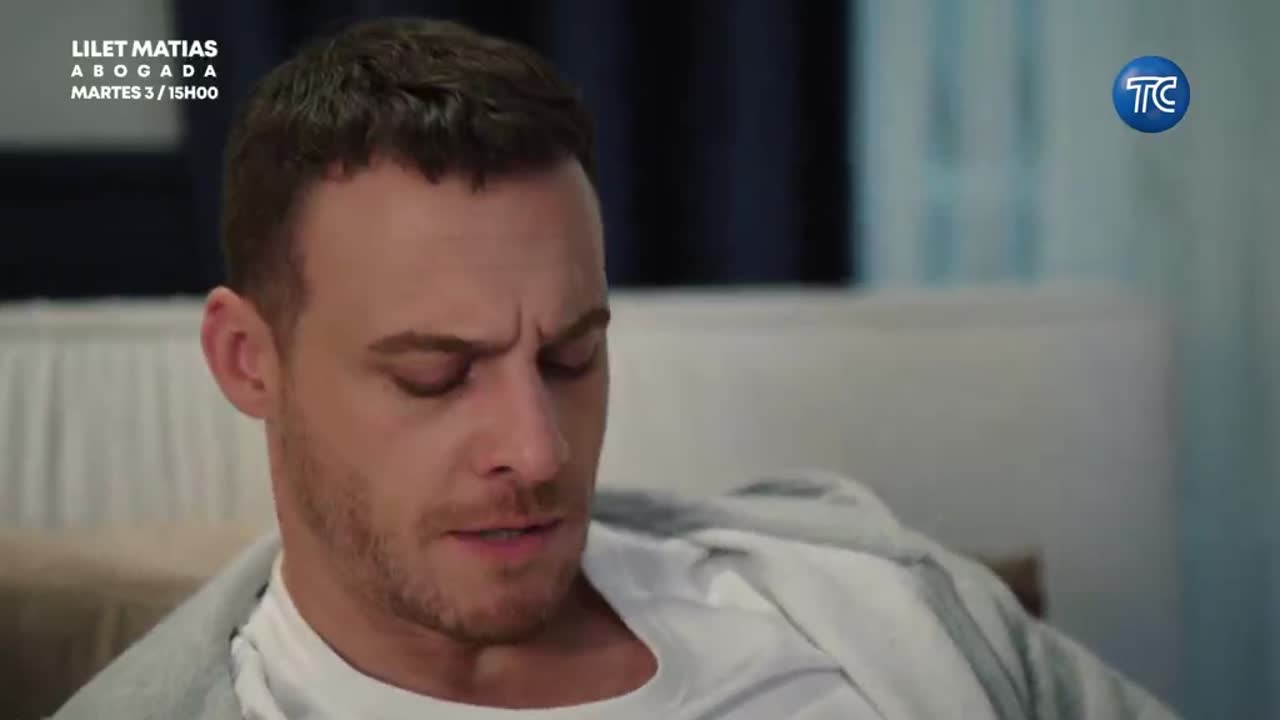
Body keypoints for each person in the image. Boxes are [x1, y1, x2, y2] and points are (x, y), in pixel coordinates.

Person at [53, 17, 1178, 720]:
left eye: (572, 354)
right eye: (436, 374)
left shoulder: (866, 601)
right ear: (249, 360)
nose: (538, 449)